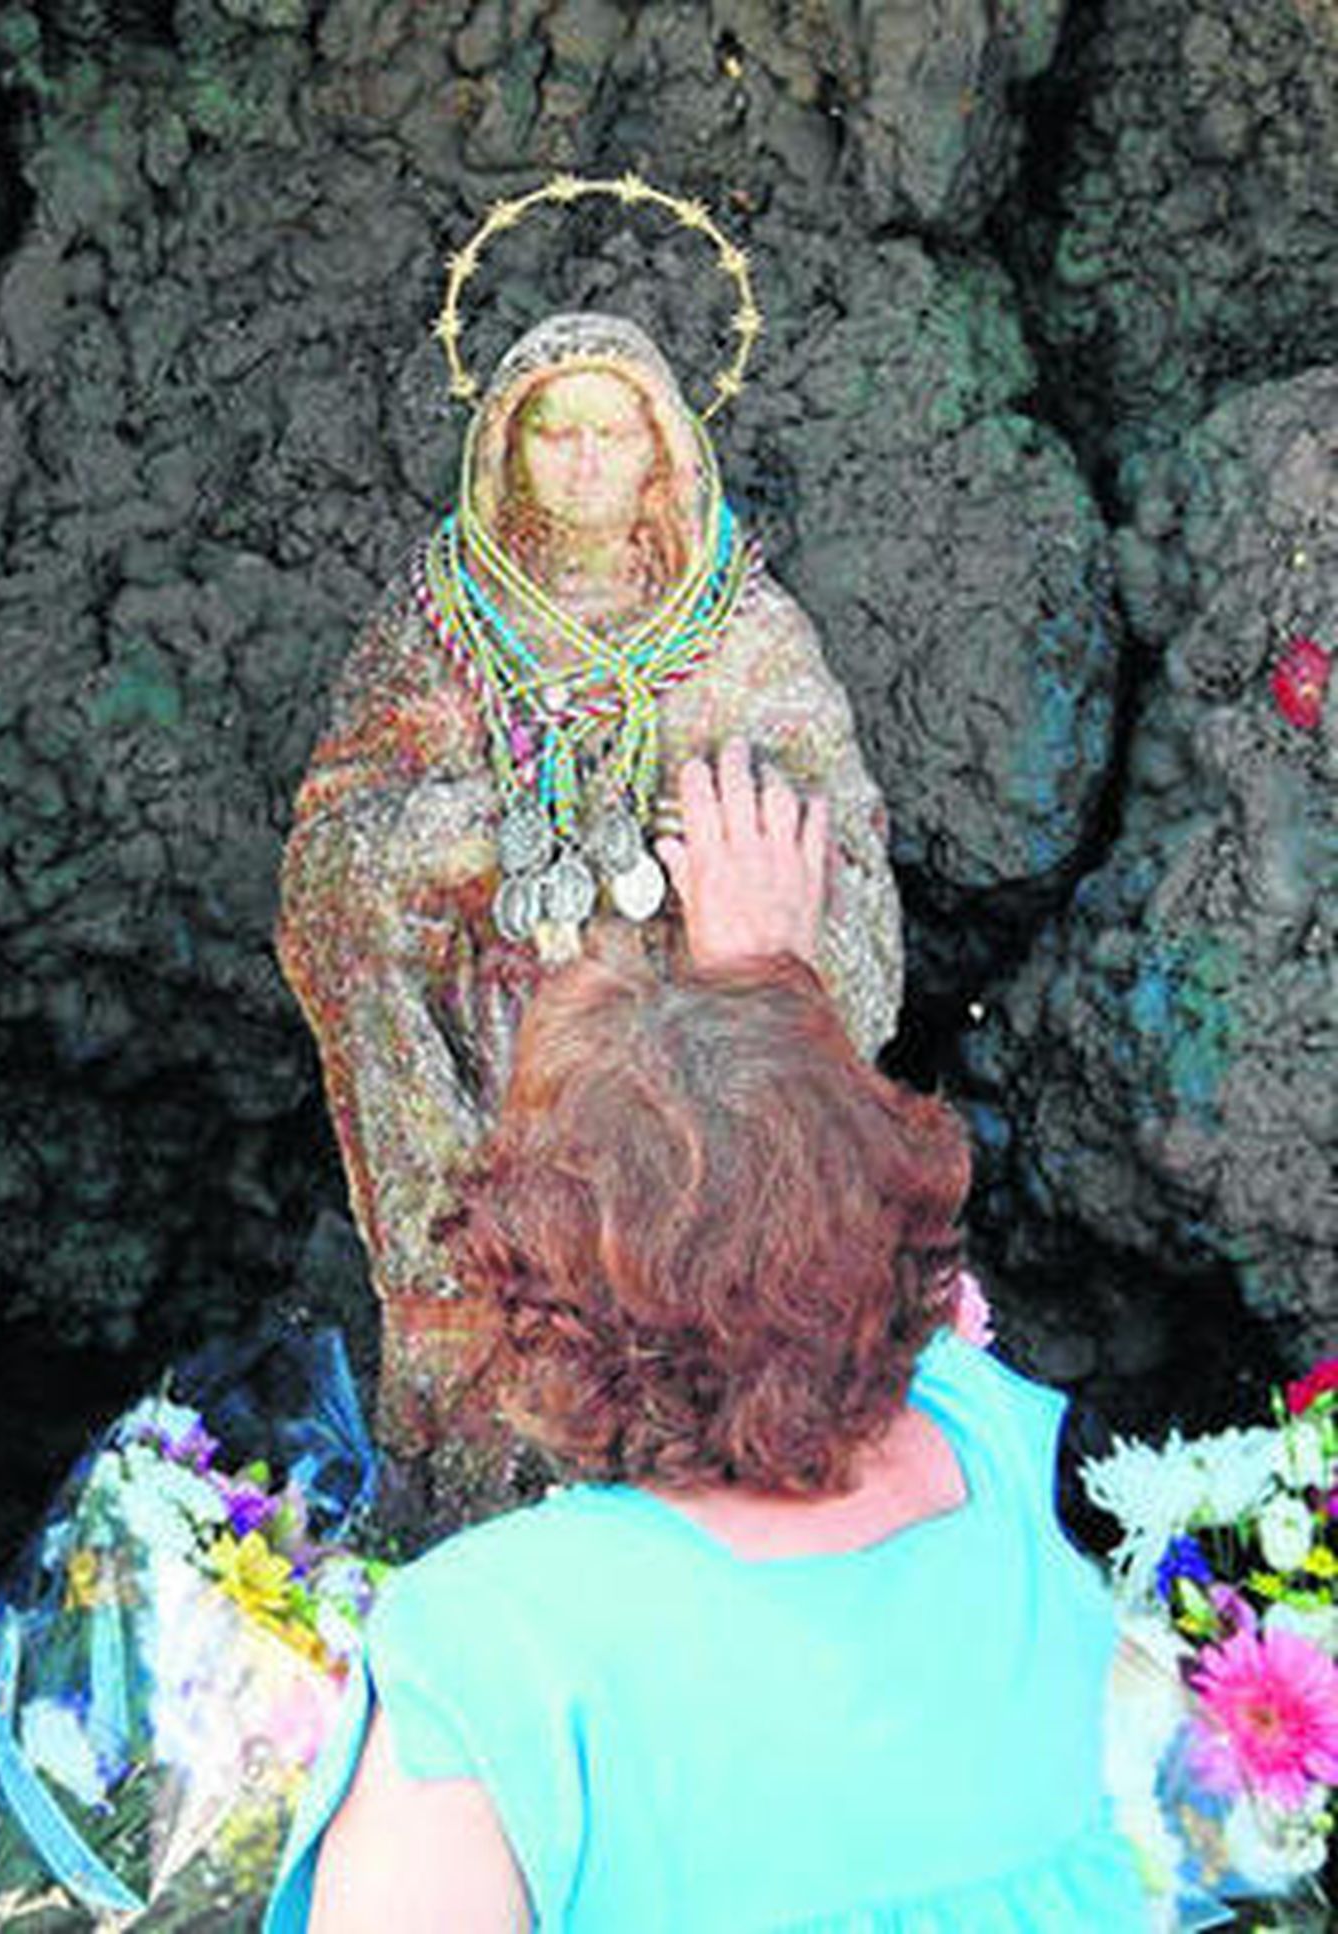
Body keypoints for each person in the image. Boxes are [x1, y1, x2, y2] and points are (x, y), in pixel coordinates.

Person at [264, 745, 1149, 1932]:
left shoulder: (494, 1658)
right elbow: (810, 1220)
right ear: (898, 1210)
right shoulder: (1006, 1454)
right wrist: (767, 986)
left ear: (540, 1302)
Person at [278, 312, 903, 1459]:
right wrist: (473, 836)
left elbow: (842, 851)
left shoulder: (741, 634)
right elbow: (330, 854)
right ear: (502, 449)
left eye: (608, 433)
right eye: (551, 431)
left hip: (682, 1090)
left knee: (686, 1368)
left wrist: (724, 881)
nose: (580, 459)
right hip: (494, 1071)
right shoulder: (439, 627)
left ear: (661, 448)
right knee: (497, 1377)